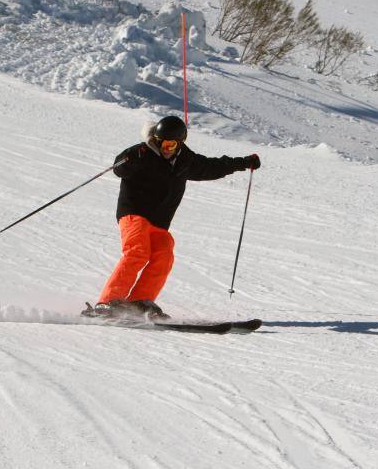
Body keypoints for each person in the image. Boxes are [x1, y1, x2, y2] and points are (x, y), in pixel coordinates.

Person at [82, 115, 260, 320]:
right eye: (164, 143)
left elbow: (212, 167)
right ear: (157, 140)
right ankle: (108, 302)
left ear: (179, 143)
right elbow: (119, 168)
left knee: (164, 255)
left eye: (172, 144)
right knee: (137, 252)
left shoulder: (185, 159)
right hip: (134, 213)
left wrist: (244, 163)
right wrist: (130, 158)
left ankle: (139, 302)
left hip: (159, 221)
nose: (167, 148)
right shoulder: (142, 153)